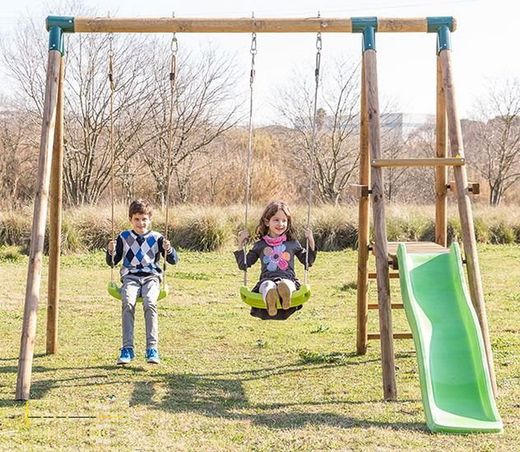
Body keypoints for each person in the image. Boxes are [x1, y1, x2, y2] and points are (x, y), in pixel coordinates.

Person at [107, 199, 179, 365]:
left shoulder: (157, 238)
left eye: (144, 219)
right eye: (137, 219)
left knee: (150, 302)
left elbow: (173, 260)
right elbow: (113, 262)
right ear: (130, 219)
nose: (141, 223)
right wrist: (110, 251)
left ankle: (152, 348)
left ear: (150, 219)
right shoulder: (123, 237)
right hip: (130, 277)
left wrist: (168, 249)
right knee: (128, 302)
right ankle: (127, 349)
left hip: (151, 278)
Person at [234, 200, 316, 320]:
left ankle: (285, 297)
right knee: (268, 286)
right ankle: (271, 302)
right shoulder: (261, 245)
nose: (280, 224)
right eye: (276, 220)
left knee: (286, 284)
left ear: (288, 222)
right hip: (267, 279)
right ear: (267, 222)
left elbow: (308, 261)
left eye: (284, 220)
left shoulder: (292, 243)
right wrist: (240, 244)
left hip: (288, 279)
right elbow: (244, 264)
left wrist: (311, 242)